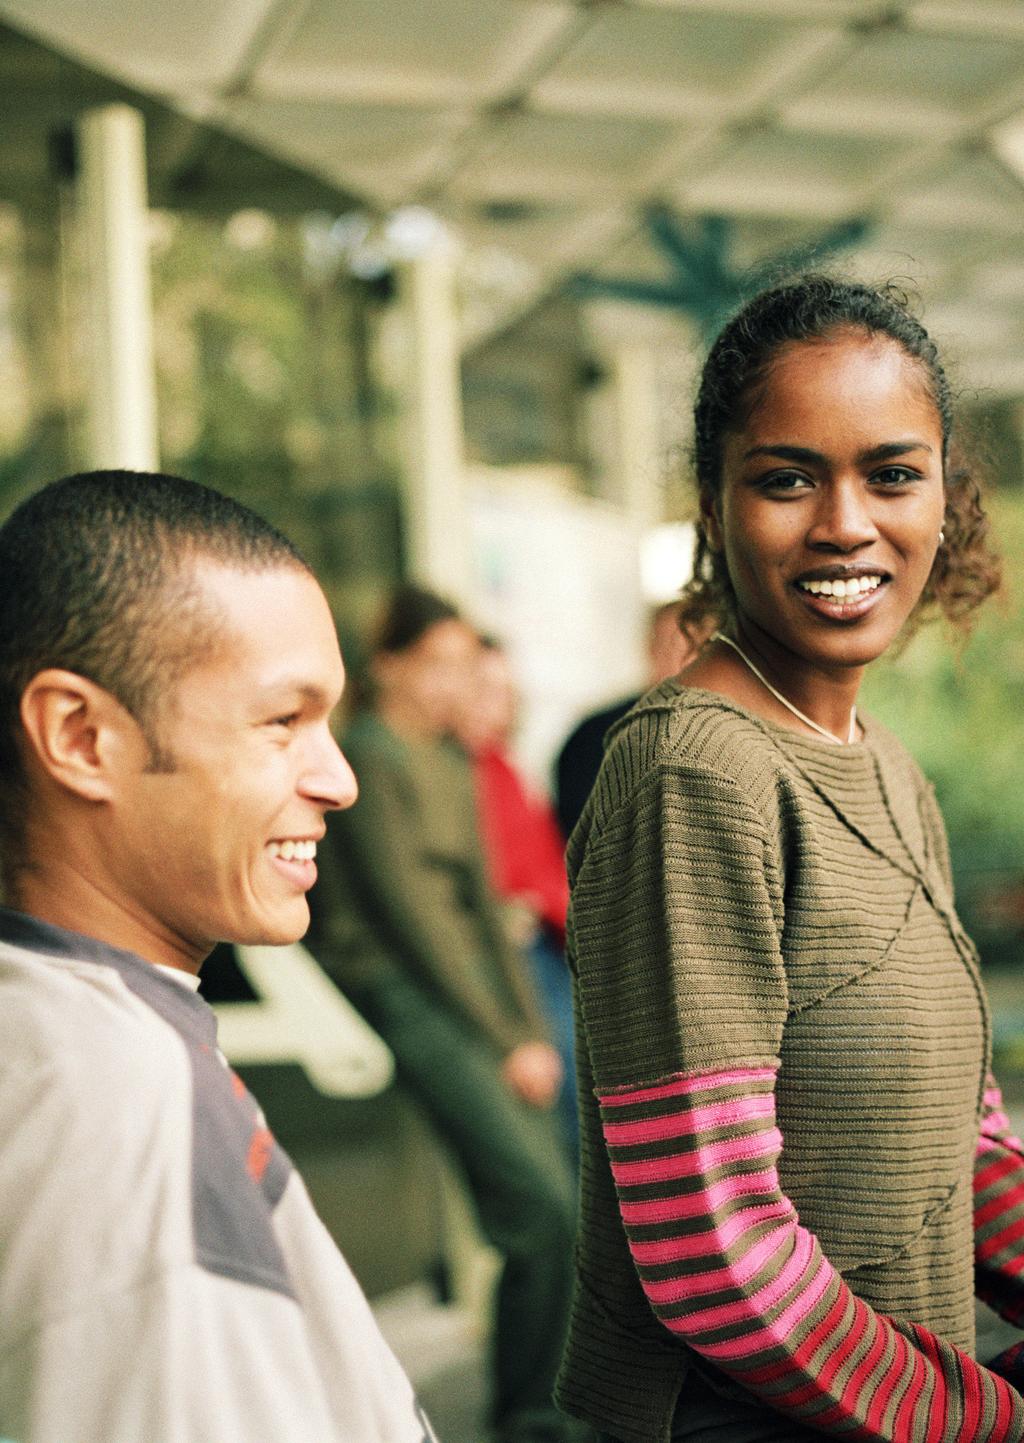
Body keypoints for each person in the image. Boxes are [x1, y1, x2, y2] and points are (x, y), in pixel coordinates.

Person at [555, 276, 1024, 1442]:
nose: (844, 523)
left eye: (890, 473)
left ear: (941, 499)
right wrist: (982, 1418)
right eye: (785, 478)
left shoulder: (885, 769)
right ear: (712, 511)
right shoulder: (693, 773)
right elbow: (710, 1245)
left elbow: (962, 1143)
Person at [0, 471, 437, 1443]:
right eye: (283, 720)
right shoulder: (123, 1109)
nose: (339, 779)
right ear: (81, 736)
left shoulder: (81, 1041)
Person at [310, 584, 579, 1443]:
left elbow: (483, 908)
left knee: (558, 1211)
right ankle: (529, 1418)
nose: (454, 680)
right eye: (438, 662)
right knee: (541, 1210)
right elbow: (415, 920)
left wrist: (529, 1029)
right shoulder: (373, 753)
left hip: (484, 1004)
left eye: (465, 661)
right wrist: (507, 1040)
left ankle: (545, 1407)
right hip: (413, 995)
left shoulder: (455, 758)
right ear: (388, 667)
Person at [453, 635, 577, 1155]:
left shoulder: (505, 766)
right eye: (483, 688)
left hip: (556, 943)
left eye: (506, 690)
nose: (498, 702)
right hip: (519, 956)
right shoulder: (458, 774)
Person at [554, 602, 702, 841]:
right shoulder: (594, 736)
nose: (678, 660)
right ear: (648, 649)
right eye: (666, 645)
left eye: (689, 648)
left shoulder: (726, 735)